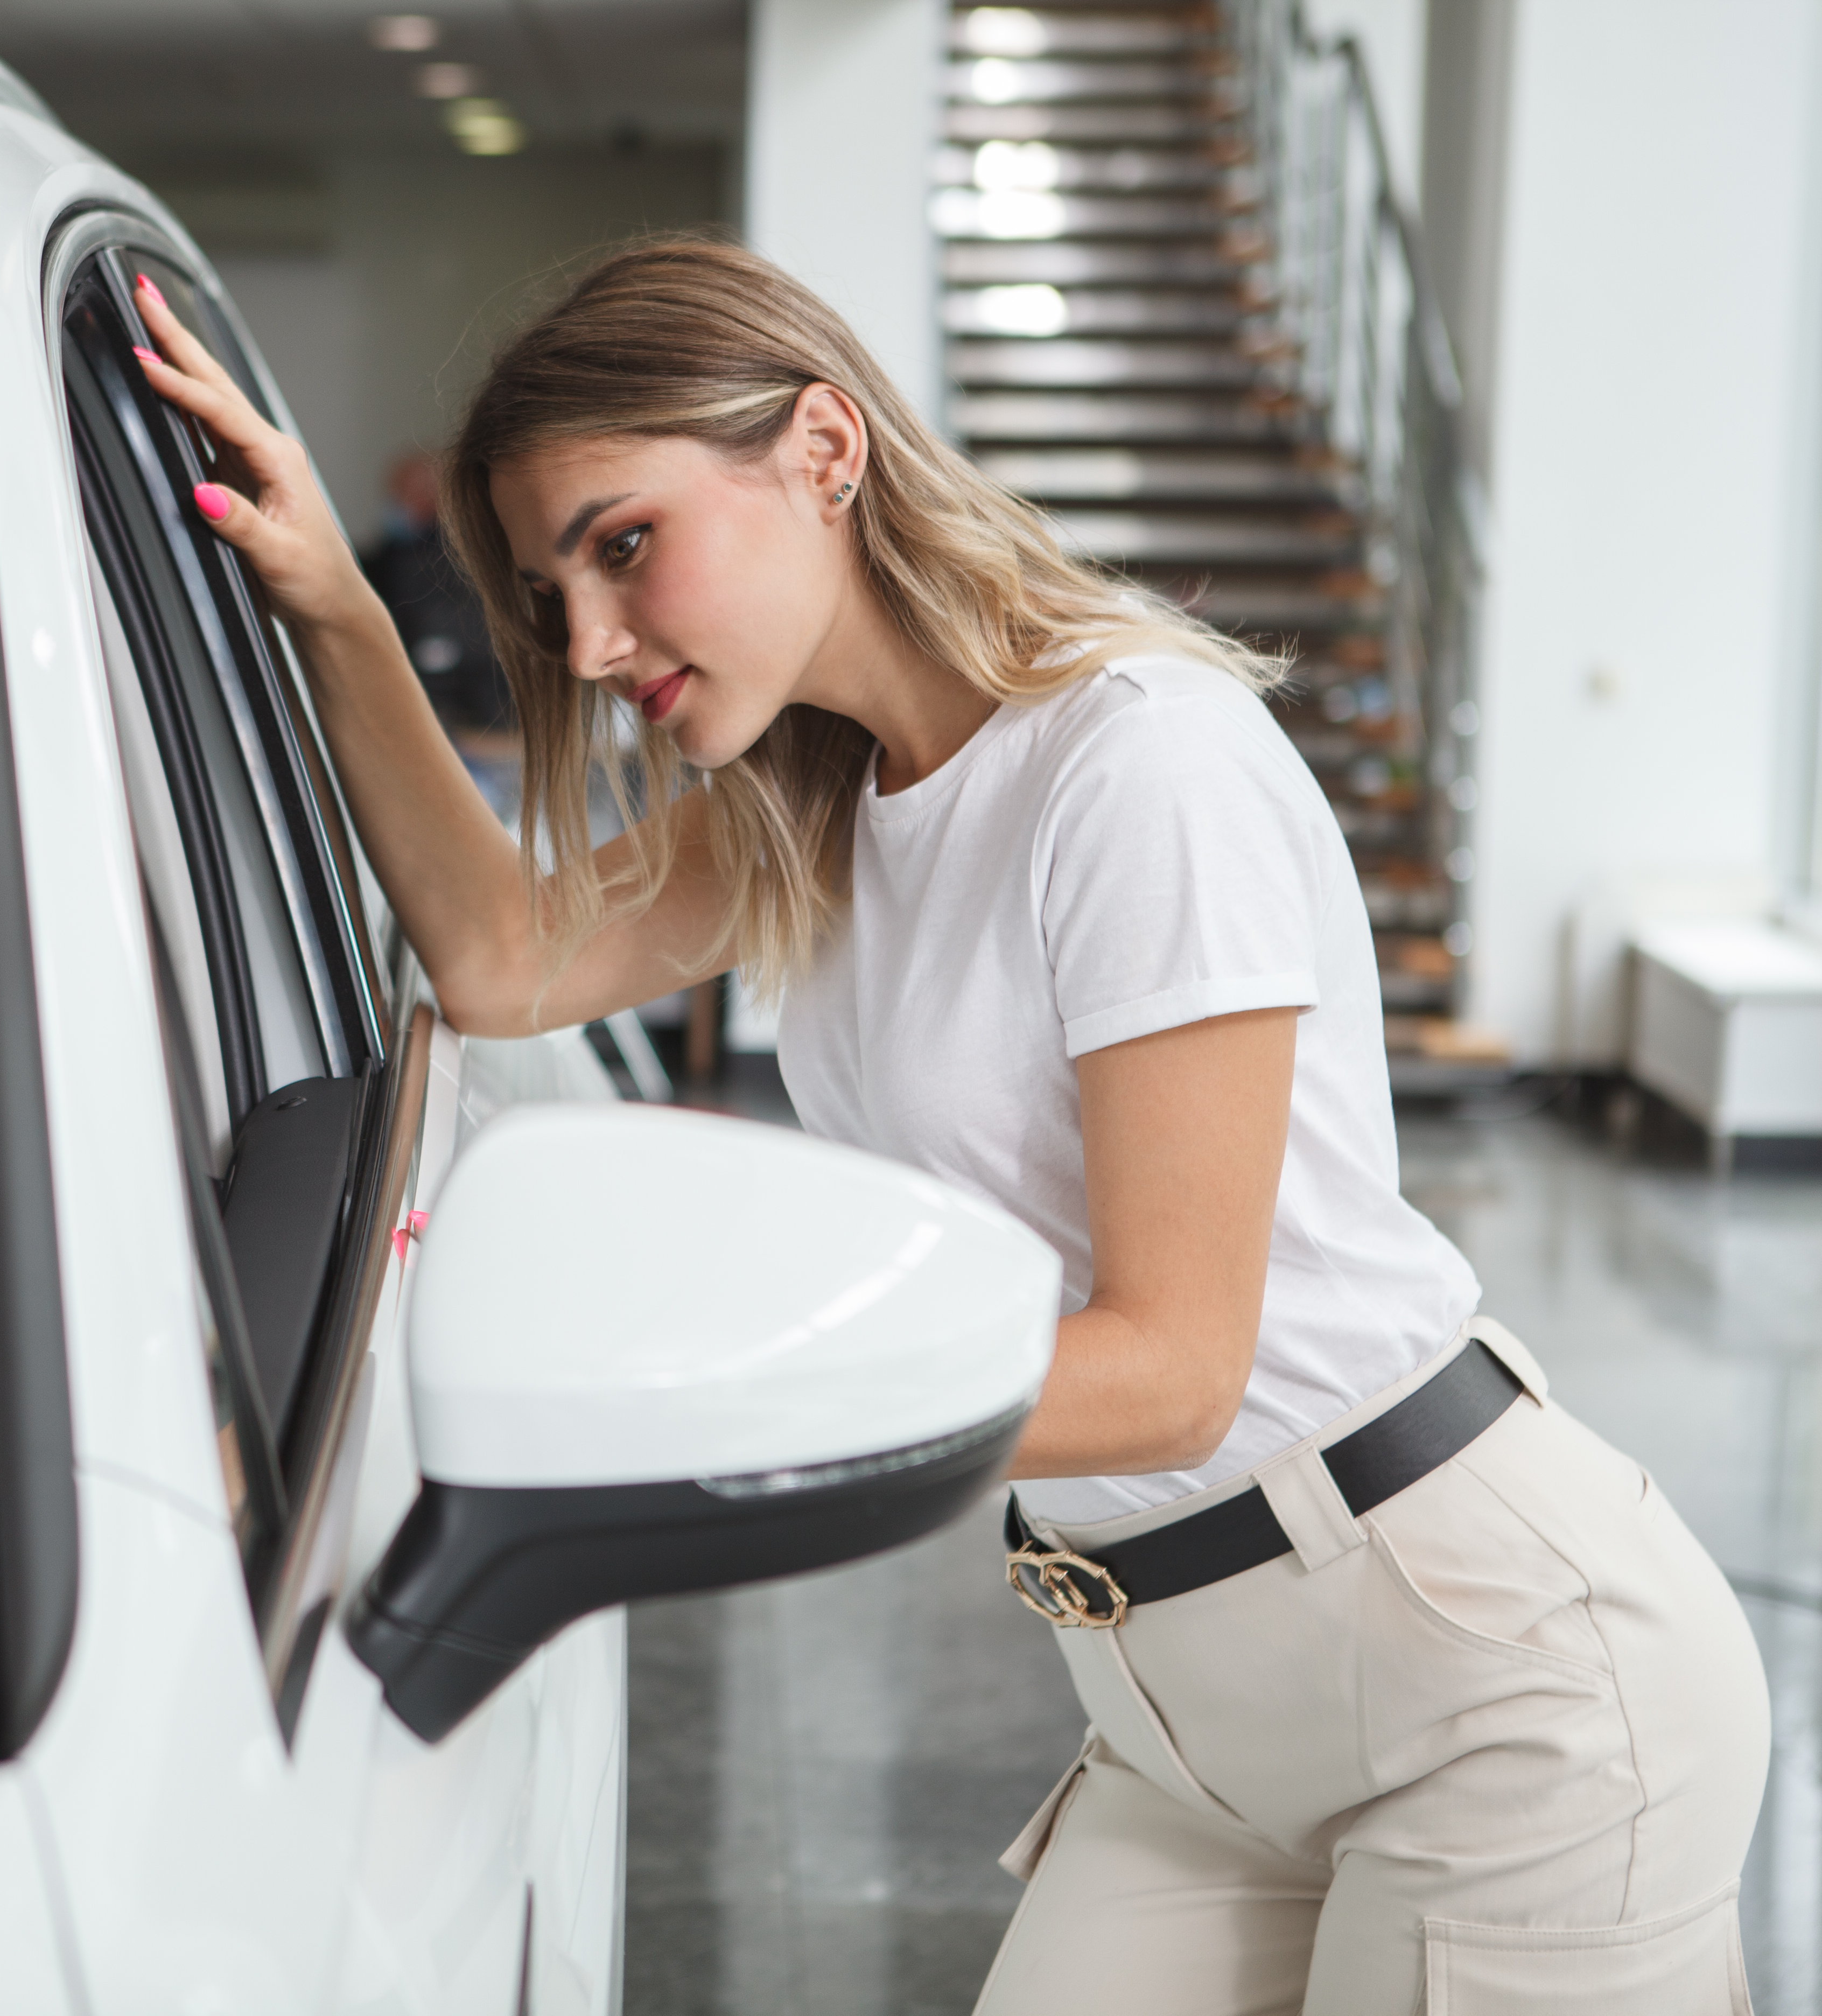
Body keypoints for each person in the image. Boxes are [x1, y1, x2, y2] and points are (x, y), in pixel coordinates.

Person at [132, 242, 1769, 2013]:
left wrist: (671, 1383)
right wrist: (333, 611)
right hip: (1171, 1705)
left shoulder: (1134, 764)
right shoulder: (804, 796)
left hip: (1485, 1675)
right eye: (552, 592)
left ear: (822, 450)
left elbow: (1168, 1370)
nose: (593, 646)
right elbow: (498, 955)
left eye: (623, 544)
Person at [361, 450, 521, 816]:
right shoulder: (389, 560)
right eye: (396, 495)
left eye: (408, 495)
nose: (398, 506)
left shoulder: (468, 577)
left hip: (470, 747)